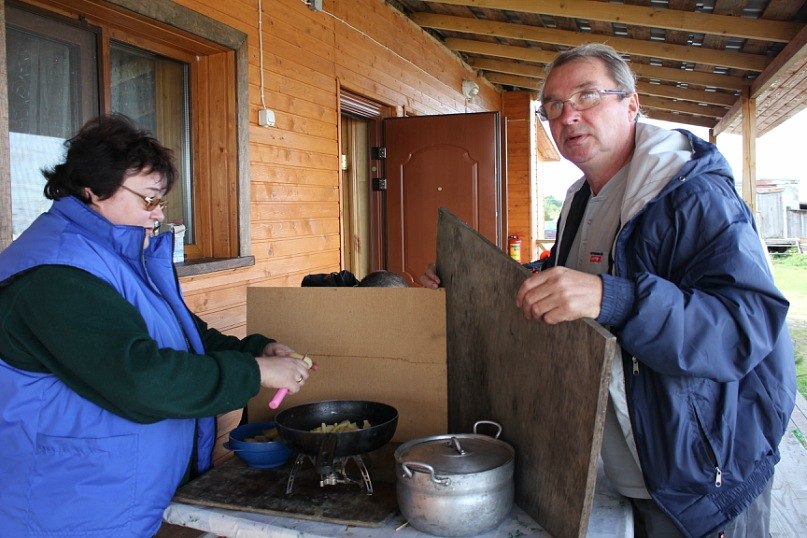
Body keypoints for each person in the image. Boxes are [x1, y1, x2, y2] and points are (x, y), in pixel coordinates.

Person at [421, 43, 796, 537]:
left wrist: (612, 298)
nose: (568, 116)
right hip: (623, 463)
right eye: (552, 107)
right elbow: (570, 273)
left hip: (700, 473)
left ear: (632, 104)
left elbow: (743, 328)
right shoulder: (583, 196)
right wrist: (469, 279)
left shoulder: (691, 195)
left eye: (587, 96)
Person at [0, 114, 314, 537]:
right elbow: (140, 379)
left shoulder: (115, 259)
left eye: (162, 199)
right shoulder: (55, 277)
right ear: (93, 191)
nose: (159, 212)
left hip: (111, 496)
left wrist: (255, 351)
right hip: (67, 506)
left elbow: (187, 335)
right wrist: (254, 373)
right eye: (149, 198)